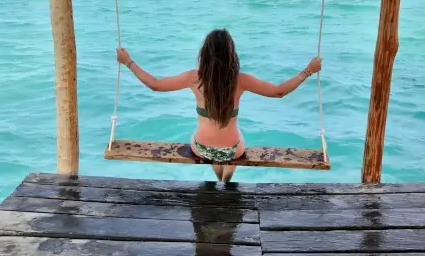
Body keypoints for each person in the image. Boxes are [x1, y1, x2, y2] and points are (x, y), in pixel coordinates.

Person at [116, 28, 322, 182]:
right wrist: (308, 70)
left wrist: (128, 62)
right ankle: (226, 179)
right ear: (232, 55)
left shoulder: (194, 78)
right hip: (232, 151)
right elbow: (279, 91)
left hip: (202, 149)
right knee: (237, 137)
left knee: (204, 137)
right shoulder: (241, 80)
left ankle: (219, 180)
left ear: (204, 54)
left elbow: (156, 85)